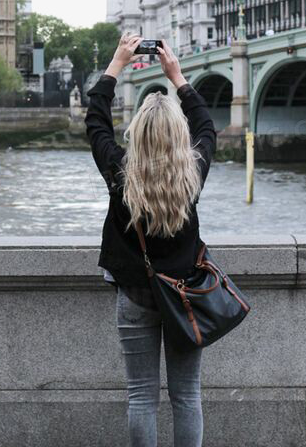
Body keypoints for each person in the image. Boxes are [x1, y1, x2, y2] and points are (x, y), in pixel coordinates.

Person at [85, 32, 217, 447]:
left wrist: (116, 65)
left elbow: (96, 120)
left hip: (136, 293)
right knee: (187, 396)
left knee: (142, 397)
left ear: (137, 133)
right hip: (185, 295)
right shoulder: (192, 171)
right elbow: (207, 126)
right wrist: (177, 77)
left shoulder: (120, 172)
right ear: (178, 136)